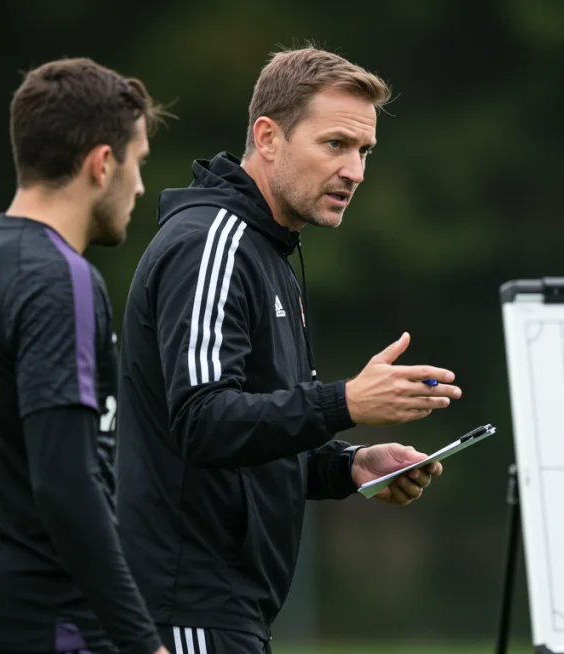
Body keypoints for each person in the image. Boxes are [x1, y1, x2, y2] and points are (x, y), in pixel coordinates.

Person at [113, 46, 462, 654]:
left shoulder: (268, 251)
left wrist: (349, 466)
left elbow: (254, 438)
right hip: (186, 609)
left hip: (230, 612)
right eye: (335, 144)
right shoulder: (212, 245)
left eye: (364, 151)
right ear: (268, 138)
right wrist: (344, 402)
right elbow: (201, 421)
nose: (354, 170)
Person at [0, 57, 172, 654]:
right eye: (137, 162)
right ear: (101, 163)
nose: (139, 186)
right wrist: (143, 643)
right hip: (42, 623)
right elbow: (67, 485)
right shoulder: (60, 277)